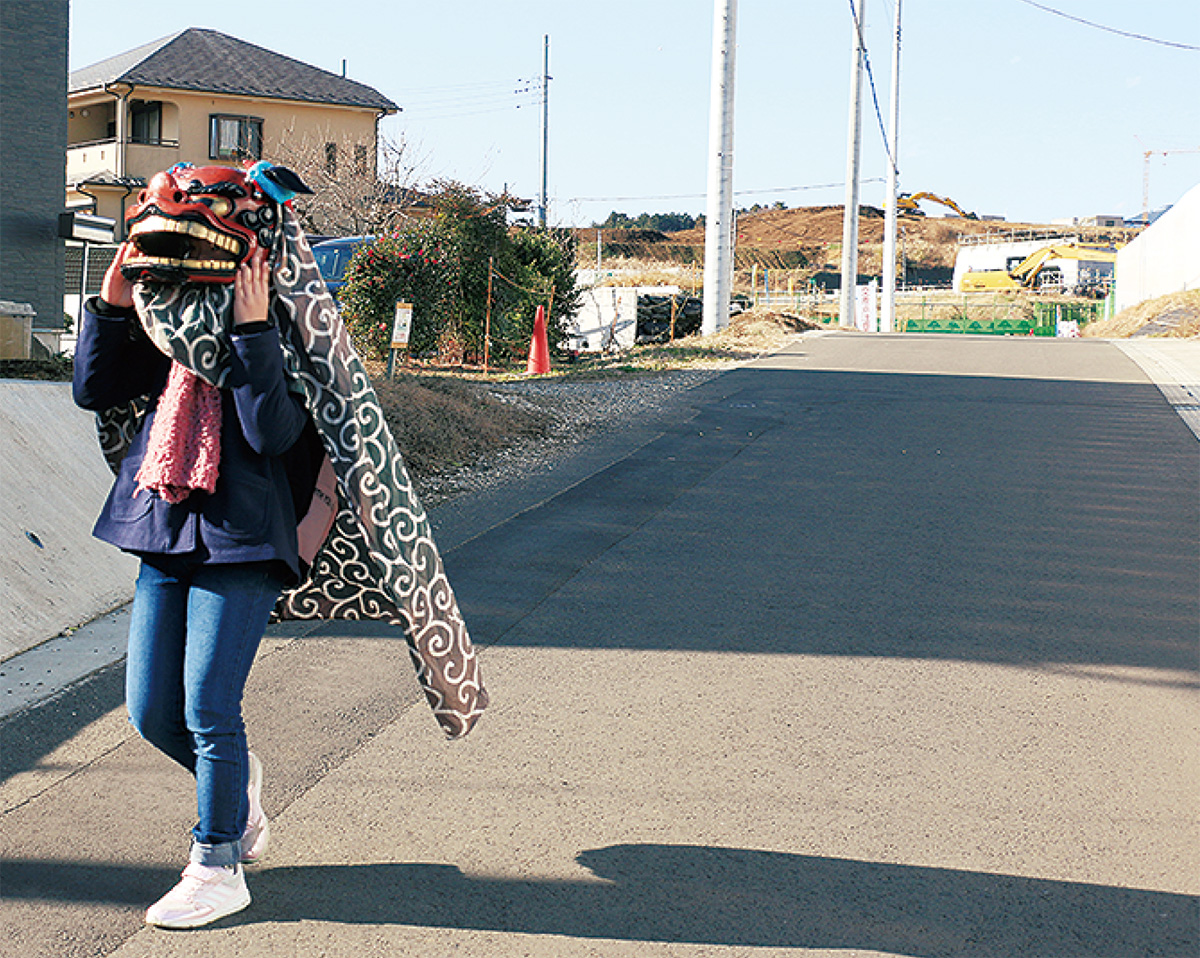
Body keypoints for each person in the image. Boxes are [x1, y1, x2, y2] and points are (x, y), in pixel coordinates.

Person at [73, 243, 318, 928]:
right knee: (152, 713)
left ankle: (217, 864)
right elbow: (95, 390)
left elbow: (270, 430)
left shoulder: (290, 324)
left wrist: (253, 328)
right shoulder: (169, 324)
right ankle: (237, 790)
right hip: (164, 524)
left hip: (243, 537)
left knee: (210, 706)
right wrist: (114, 302)